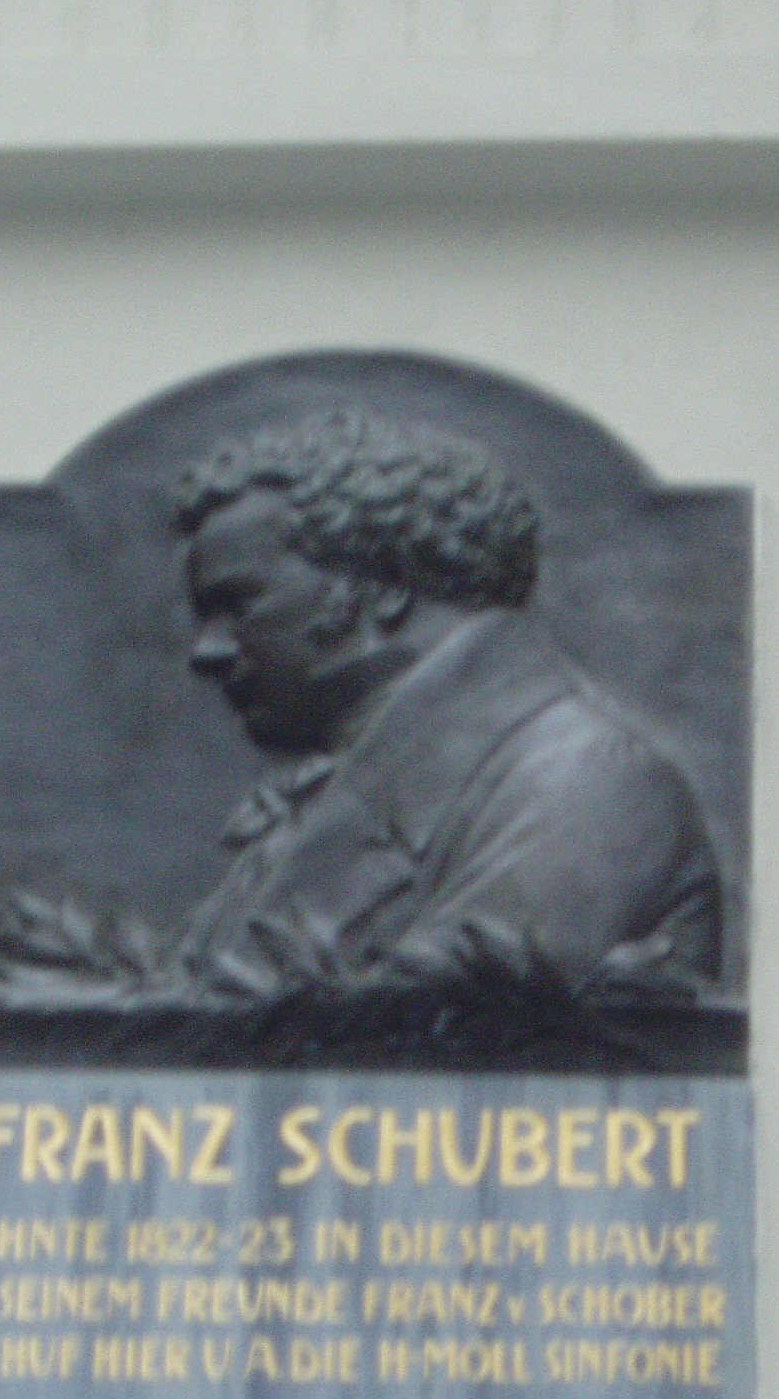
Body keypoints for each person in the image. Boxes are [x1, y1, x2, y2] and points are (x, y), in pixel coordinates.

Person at [165, 408, 721, 1010]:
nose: (207, 652)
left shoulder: (589, 781)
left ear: (384, 585)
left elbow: (419, 1040)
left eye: (237, 604)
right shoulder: (354, 786)